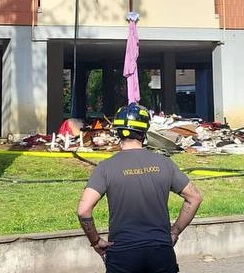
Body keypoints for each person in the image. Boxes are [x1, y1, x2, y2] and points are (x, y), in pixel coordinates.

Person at [77, 103, 204, 273]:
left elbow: (83, 210)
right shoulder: (164, 163)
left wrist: (95, 242)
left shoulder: (105, 168)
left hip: (122, 255)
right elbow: (194, 197)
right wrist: (174, 232)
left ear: (118, 131)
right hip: (161, 252)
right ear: (144, 132)